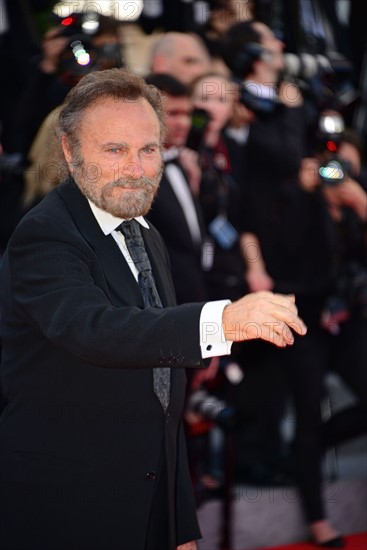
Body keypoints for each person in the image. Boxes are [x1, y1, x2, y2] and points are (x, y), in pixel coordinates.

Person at [0, 67, 307, 550]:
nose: (137, 168)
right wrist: (221, 321)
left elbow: (162, 406)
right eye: (115, 150)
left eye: (148, 149)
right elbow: (96, 331)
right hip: (64, 512)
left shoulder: (146, 236)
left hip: (144, 512)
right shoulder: (45, 235)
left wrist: (177, 525)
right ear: (70, 151)